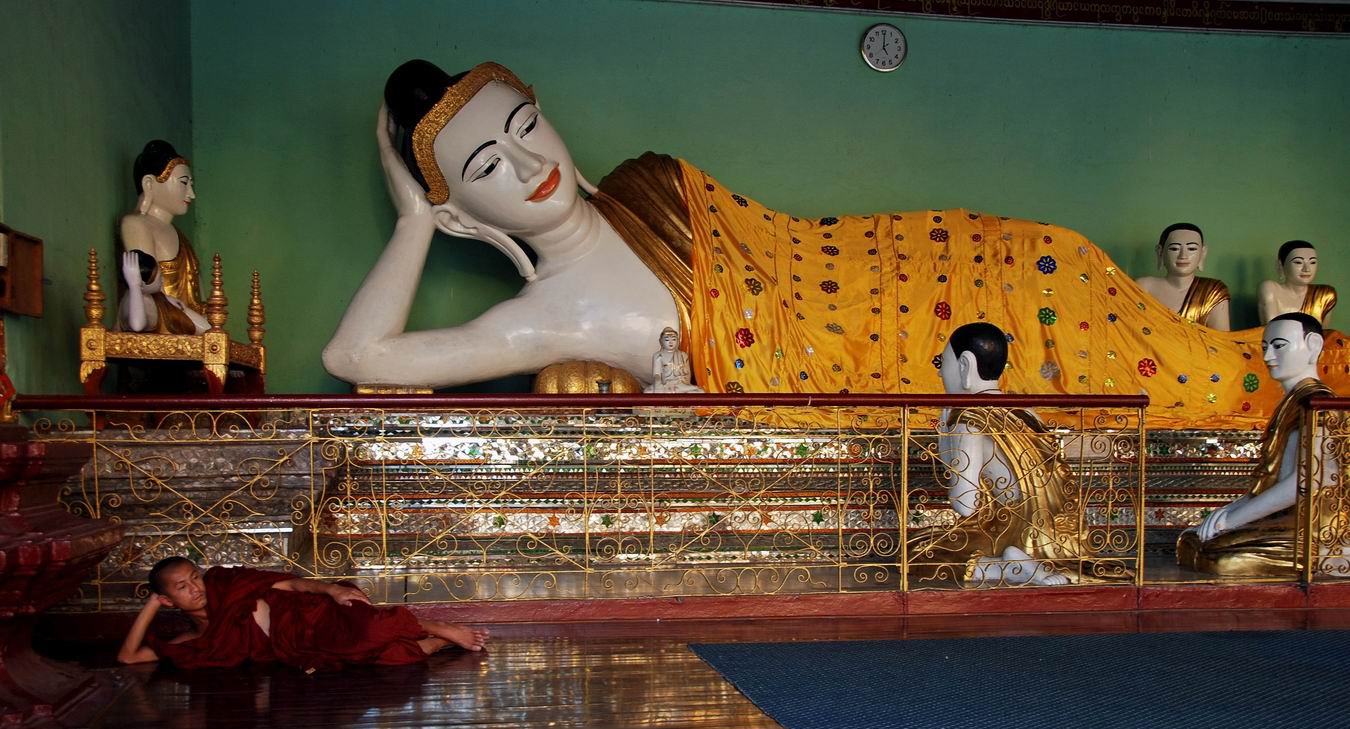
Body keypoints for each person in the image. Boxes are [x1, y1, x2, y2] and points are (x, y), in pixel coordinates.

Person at [322, 58, 1350, 428]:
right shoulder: (541, 316)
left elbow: (783, 241)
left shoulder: (651, 183)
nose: (529, 161)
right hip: (843, 357)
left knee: (1053, 256)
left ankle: (1228, 341)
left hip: (866, 263)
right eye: (490, 167)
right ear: (467, 212)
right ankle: (1243, 359)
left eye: (524, 128)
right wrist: (414, 219)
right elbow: (356, 360)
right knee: (1029, 347)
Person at [906, 322, 1106, 588]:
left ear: (965, 366)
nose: (941, 373)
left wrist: (947, 432)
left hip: (1009, 529)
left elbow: (965, 504)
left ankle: (1006, 567)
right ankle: (1024, 563)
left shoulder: (968, 420)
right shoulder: (1026, 411)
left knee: (919, 551)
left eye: (943, 363)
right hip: (1060, 535)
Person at [1177, 313, 1346, 575]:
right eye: (1265, 348)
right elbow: (1277, 479)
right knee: (1192, 542)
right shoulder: (1292, 402)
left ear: (1313, 345)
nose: (1268, 357)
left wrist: (1230, 521)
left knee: (1217, 558)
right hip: (1285, 516)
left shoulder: (1318, 404)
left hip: (1316, 524)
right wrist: (1227, 512)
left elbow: (1303, 483)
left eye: (1279, 346)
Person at [117, 557, 489, 670]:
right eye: (182, 587)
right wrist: (151, 603)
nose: (196, 588)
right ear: (168, 600)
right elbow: (129, 656)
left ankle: (431, 624)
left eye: (194, 577)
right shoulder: (196, 638)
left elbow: (290, 585)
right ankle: (437, 643)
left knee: (368, 630)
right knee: (388, 656)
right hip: (297, 646)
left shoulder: (224, 583)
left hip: (310, 613)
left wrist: (333, 589)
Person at [119, 140, 208, 335]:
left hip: (187, 315)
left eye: (191, 185)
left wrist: (209, 314)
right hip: (161, 311)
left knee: (213, 331)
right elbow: (147, 279)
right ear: (149, 184)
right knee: (146, 303)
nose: (191, 194)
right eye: (184, 183)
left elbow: (199, 294)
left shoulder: (181, 236)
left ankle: (209, 331)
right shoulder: (136, 224)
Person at [1134, 223, 1230, 329]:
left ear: (1202, 253)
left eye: (1192, 249)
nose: (1183, 256)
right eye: (1174, 249)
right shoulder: (1144, 287)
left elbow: (1221, 341)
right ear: (1160, 252)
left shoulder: (1213, 291)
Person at [118, 249, 208, 334]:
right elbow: (137, 325)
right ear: (142, 284)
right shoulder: (134, 299)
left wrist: (166, 298)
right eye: (159, 277)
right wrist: (135, 286)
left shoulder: (153, 296)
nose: (162, 280)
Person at [1258, 240, 1336, 324]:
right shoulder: (1270, 289)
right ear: (1281, 265)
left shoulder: (1325, 294)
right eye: (1298, 262)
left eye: (1312, 262)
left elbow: (1323, 334)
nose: (1307, 269)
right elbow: (1273, 330)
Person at [645, 326, 702, 393]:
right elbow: (656, 374)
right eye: (667, 340)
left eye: (674, 339)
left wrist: (683, 382)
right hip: (665, 385)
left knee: (700, 391)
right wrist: (659, 385)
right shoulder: (658, 356)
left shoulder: (683, 355)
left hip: (680, 385)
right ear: (661, 341)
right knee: (647, 392)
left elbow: (688, 374)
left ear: (678, 341)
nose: (671, 342)